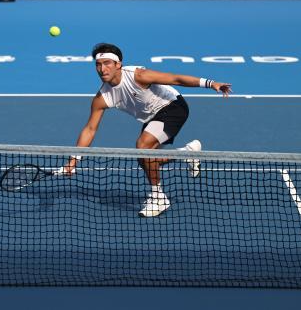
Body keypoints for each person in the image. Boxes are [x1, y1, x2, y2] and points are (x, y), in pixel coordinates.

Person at [55, 43, 232, 217]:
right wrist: (73, 161)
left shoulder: (138, 76)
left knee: (143, 146)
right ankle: (187, 153)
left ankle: (158, 197)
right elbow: (90, 129)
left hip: (173, 107)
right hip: (152, 118)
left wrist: (211, 83)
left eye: (107, 63)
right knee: (146, 160)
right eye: (98, 64)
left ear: (118, 64)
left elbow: (175, 78)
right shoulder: (102, 97)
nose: (102, 69)